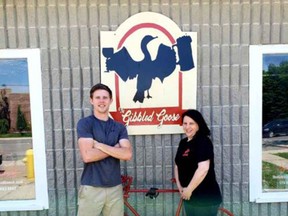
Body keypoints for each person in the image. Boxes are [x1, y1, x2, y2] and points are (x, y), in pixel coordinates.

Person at [77, 83, 132, 216]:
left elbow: (127, 154)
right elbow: (87, 156)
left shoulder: (119, 127)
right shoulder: (85, 124)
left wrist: (100, 145)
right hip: (91, 187)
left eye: (105, 97)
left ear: (111, 100)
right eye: (97, 97)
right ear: (91, 100)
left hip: (115, 187)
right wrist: (115, 149)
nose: (101, 101)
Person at [174, 109, 222, 216]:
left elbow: (203, 169)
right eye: (185, 123)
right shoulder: (183, 143)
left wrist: (189, 189)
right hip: (189, 197)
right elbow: (177, 165)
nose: (187, 127)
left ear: (198, 125)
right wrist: (180, 187)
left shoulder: (203, 141)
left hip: (204, 198)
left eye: (191, 123)